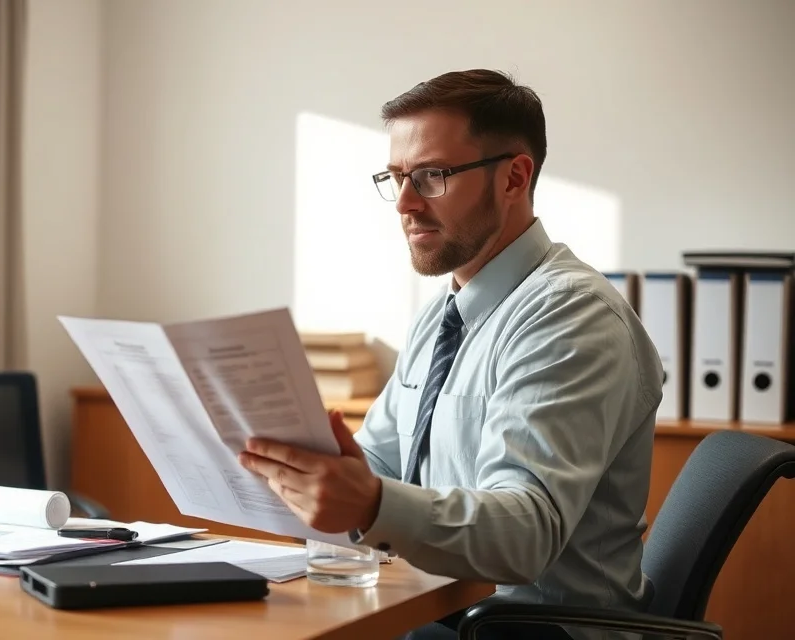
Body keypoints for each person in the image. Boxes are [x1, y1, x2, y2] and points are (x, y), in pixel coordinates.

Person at [238, 69, 663, 640]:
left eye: (432, 176)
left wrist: (369, 505)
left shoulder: (572, 317)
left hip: (535, 629)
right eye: (396, 177)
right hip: (440, 609)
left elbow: (525, 535)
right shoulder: (444, 314)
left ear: (515, 177)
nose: (405, 204)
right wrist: (312, 472)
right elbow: (383, 465)